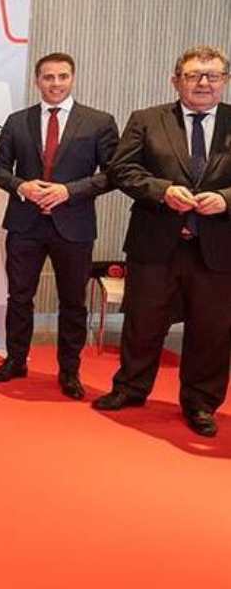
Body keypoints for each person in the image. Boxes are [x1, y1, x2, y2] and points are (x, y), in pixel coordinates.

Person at [93, 45, 231, 437]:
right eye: (193, 75)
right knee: (143, 321)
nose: (203, 82)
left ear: (224, 81)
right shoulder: (147, 119)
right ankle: (131, 388)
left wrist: (224, 199)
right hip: (155, 242)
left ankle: (201, 403)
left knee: (212, 330)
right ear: (176, 80)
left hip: (218, 247)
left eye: (212, 75)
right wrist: (161, 190)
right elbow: (122, 169)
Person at [0, 52, 119, 399]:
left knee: (73, 303)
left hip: (73, 227)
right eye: (48, 77)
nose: (55, 83)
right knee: (19, 298)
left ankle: (70, 371)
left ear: (72, 78)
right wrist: (22, 186)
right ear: (37, 81)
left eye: (62, 76)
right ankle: (15, 360)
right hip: (25, 225)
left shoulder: (98, 122)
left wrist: (68, 191)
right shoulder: (18, 121)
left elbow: (113, 174)